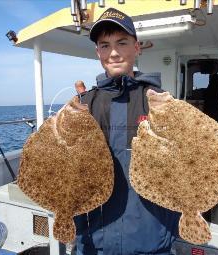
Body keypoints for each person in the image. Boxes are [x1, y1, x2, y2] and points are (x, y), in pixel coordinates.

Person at [74, 8, 180, 255]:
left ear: (137, 47)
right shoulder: (82, 105)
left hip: (152, 240)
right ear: (98, 52)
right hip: (92, 242)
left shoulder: (161, 103)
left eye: (122, 43)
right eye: (105, 45)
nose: (113, 52)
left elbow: (199, 155)